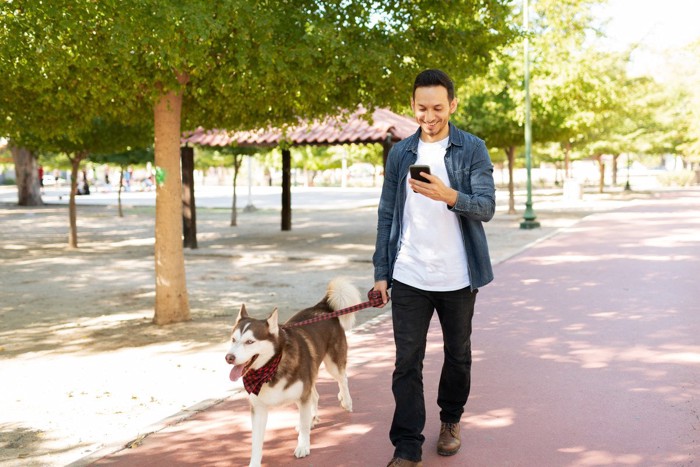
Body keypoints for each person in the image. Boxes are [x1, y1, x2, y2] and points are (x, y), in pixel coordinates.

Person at [372, 69, 496, 467]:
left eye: (438, 107)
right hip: (409, 274)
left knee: (458, 356)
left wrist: (449, 195)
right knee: (407, 361)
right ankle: (407, 445)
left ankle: (451, 420)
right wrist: (381, 272)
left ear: (453, 105)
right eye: (422, 108)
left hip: (459, 276)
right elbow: (387, 214)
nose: (429, 115)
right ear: (413, 106)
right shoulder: (400, 153)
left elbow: (487, 207)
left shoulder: (473, 148)